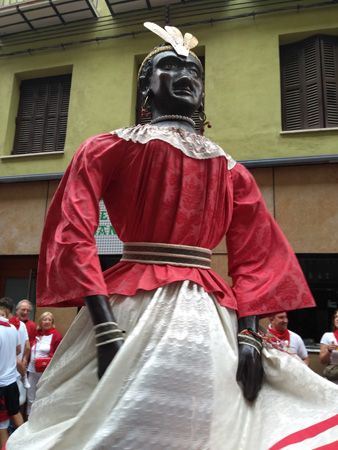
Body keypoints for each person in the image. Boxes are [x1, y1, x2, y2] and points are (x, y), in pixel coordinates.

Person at [5, 22, 338, 450]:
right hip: (125, 313)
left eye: (196, 72)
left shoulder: (233, 171)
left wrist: (250, 334)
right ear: (145, 89)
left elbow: (258, 254)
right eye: (169, 67)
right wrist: (105, 326)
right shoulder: (108, 148)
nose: (186, 76)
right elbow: (72, 233)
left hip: (212, 317)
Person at [26, 312, 62, 417]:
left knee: (44, 395)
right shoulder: (36, 333)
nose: (47, 322)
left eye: (49, 320)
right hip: (32, 370)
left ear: (52, 322)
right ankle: (29, 417)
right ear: (40, 322)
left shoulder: (55, 335)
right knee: (30, 395)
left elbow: (58, 354)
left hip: (45, 371)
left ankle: (40, 418)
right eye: (44, 319)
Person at [0, 305, 24, 447]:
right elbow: (18, 349)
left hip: (1, 383)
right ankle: (25, 442)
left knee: (2, 425)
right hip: (11, 381)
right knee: (15, 412)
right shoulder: (12, 328)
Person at [319, 309, 338, 384]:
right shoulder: (328, 336)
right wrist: (329, 350)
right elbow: (323, 361)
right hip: (333, 378)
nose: (337, 319)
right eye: (336, 317)